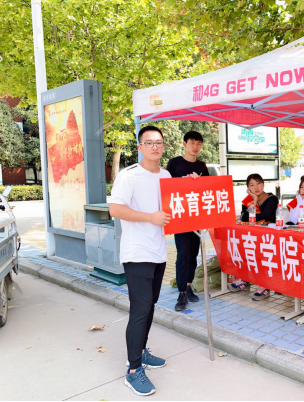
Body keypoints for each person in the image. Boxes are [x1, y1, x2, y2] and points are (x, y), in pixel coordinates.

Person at [109, 126, 171, 396]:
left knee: (150, 306)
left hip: (158, 252)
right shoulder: (129, 175)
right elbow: (115, 209)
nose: (154, 147)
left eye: (159, 142)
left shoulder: (166, 175)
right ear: (140, 147)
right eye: (149, 142)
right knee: (140, 309)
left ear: (163, 146)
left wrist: (192, 183)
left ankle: (142, 351)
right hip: (137, 253)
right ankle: (133, 369)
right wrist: (150, 217)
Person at [166, 131, 210, 312]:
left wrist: (198, 182)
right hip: (180, 217)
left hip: (197, 218)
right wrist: (182, 181)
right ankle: (181, 292)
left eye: (199, 143)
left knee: (193, 255)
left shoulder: (202, 165)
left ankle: (189, 286)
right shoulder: (174, 163)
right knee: (182, 255)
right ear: (184, 143)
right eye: (192, 142)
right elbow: (166, 187)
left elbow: (208, 190)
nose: (196, 146)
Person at [229, 174, 279, 301]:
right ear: (248, 188)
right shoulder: (247, 201)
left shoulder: (272, 199)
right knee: (243, 250)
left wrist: (252, 215)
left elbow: (265, 216)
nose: (256, 187)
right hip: (252, 236)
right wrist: (254, 200)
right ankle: (245, 280)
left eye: (258, 183)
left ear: (263, 184)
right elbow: (244, 218)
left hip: (268, 238)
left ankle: (264, 286)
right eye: (252, 185)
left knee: (261, 257)